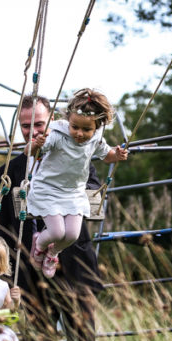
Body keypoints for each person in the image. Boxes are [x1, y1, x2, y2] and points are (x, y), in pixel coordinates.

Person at [0, 94, 104, 341]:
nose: (32, 132)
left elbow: (95, 205)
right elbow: (5, 225)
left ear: (52, 121)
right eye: (25, 126)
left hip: (74, 265)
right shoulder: (10, 169)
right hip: (32, 270)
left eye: (39, 124)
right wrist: (6, 274)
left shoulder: (78, 152)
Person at [27, 88, 128, 279]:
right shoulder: (58, 135)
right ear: (68, 122)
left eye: (86, 129)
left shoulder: (96, 139)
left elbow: (107, 156)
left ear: (97, 127)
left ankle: (52, 253)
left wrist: (118, 155)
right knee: (57, 232)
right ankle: (39, 244)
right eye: (75, 127)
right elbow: (29, 153)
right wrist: (36, 144)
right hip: (47, 189)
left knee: (72, 235)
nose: (79, 133)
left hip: (73, 192)